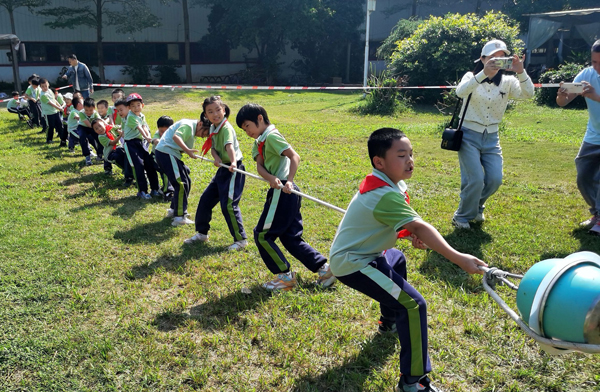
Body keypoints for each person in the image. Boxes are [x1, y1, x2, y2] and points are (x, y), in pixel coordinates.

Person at [329, 128, 487, 392]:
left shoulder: (385, 183)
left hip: (369, 254)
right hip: (353, 263)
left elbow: (384, 223)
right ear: (379, 162)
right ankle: (413, 382)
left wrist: (404, 233)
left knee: (397, 259)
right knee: (413, 305)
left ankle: (388, 321)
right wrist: (459, 258)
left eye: (411, 154)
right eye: (401, 155)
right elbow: (420, 226)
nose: (410, 160)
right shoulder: (384, 194)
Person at [235, 103, 335, 290]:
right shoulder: (259, 142)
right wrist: (271, 178)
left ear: (259, 118)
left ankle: (285, 277)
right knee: (291, 237)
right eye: (243, 129)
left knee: (262, 235)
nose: (246, 131)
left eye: (247, 126)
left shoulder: (272, 136)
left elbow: (294, 156)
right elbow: (260, 167)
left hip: (284, 191)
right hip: (279, 189)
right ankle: (324, 269)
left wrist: (288, 181)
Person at [452, 39, 534, 229]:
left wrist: (521, 71)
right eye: (492, 58)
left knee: (495, 179)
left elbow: (529, 94)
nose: (497, 62)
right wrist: (483, 74)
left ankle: (477, 205)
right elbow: (460, 92)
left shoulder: (508, 81)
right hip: (468, 135)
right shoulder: (470, 77)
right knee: (475, 179)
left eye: (501, 58)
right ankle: (462, 216)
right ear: (482, 59)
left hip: (492, 137)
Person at [184, 96, 248, 250]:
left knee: (229, 205)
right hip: (223, 169)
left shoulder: (225, 127)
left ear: (224, 110)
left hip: (234, 169)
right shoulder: (213, 127)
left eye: (218, 110)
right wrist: (217, 158)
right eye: (210, 112)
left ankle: (241, 240)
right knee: (205, 200)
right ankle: (202, 233)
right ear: (206, 115)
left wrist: (232, 162)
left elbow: (229, 147)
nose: (215, 114)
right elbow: (213, 147)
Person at [557, 39, 600, 235]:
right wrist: (562, 95)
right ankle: (596, 213)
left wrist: (595, 97)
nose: (596, 67)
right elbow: (563, 102)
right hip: (593, 135)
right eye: (594, 62)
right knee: (583, 176)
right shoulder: (587, 75)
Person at [155, 116, 210, 226]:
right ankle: (179, 217)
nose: (203, 136)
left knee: (186, 181)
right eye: (204, 133)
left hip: (169, 154)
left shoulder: (190, 127)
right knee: (181, 184)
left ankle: (174, 209)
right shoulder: (188, 125)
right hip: (166, 153)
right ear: (200, 124)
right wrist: (188, 150)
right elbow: (176, 137)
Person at [122, 93, 160, 199]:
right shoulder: (130, 116)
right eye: (132, 106)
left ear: (142, 105)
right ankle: (142, 191)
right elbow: (139, 128)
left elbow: (144, 127)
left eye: (138, 105)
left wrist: (149, 138)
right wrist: (147, 138)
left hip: (140, 142)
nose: (136, 108)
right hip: (131, 144)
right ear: (129, 108)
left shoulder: (142, 116)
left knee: (149, 164)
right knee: (138, 166)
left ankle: (155, 189)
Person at [151, 115, 176, 201]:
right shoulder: (157, 134)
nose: (164, 134)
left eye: (167, 132)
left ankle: (168, 188)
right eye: (162, 131)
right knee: (165, 172)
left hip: (168, 157)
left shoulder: (174, 134)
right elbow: (154, 140)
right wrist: (157, 141)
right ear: (158, 129)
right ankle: (167, 192)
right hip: (156, 157)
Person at [39, 78, 65, 145]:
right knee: (51, 126)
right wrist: (59, 108)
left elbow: (54, 100)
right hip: (48, 113)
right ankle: (49, 139)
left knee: (60, 125)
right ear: (40, 87)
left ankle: (63, 138)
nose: (45, 88)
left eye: (46, 86)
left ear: (48, 84)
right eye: (43, 86)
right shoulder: (43, 95)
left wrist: (60, 107)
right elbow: (51, 103)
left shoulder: (50, 91)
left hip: (55, 112)